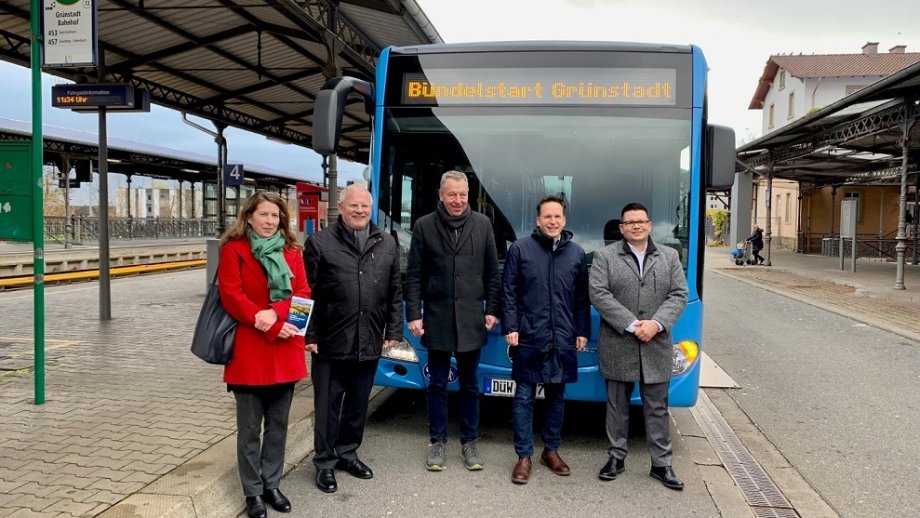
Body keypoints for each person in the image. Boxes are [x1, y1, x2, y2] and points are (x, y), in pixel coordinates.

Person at [303, 183, 403, 494]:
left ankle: (348, 453)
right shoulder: (319, 243)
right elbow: (307, 294)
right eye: (353, 206)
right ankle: (324, 462)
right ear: (342, 208)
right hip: (330, 340)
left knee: (358, 403)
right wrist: (310, 334)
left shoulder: (387, 243)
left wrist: (394, 331)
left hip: (369, 338)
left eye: (365, 206)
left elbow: (394, 293)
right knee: (327, 405)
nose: (360, 211)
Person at [218, 192, 311, 518]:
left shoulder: (292, 252)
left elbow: (303, 294)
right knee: (248, 431)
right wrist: (272, 324)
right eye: (265, 215)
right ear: (249, 216)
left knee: (278, 425)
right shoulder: (233, 250)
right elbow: (232, 295)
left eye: (276, 216)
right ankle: (253, 492)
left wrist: (278, 315)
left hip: (286, 349)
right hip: (250, 352)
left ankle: (272, 483)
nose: (270, 221)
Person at [405, 170, 501, 471]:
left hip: (472, 319)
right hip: (437, 318)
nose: (458, 200)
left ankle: (469, 442)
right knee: (436, 383)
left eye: (462, 194)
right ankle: (437, 442)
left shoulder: (483, 225)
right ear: (441, 195)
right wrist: (414, 314)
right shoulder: (423, 226)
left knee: (471, 385)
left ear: (468, 195)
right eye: (452, 195)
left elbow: (493, 274)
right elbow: (414, 275)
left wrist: (492, 309)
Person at [589, 202, 688, 491]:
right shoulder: (605, 257)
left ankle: (661, 465)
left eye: (640, 221)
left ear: (649, 225)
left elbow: (679, 295)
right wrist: (633, 324)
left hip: (656, 343)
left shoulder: (669, 256)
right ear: (621, 228)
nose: (635, 226)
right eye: (629, 222)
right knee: (617, 406)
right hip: (620, 341)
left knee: (657, 407)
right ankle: (616, 458)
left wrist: (655, 324)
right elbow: (599, 294)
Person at [500, 195, 590, 484]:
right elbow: (509, 292)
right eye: (547, 217)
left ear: (564, 220)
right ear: (538, 220)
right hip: (529, 336)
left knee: (556, 398)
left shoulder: (576, 254)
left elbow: (581, 299)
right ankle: (524, 456)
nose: (552, 221)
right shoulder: (520, 249)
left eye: (558, 217)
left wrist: (582, 330)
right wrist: (511, 325)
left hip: (563, 336)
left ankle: (550, 451)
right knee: (523, 398)